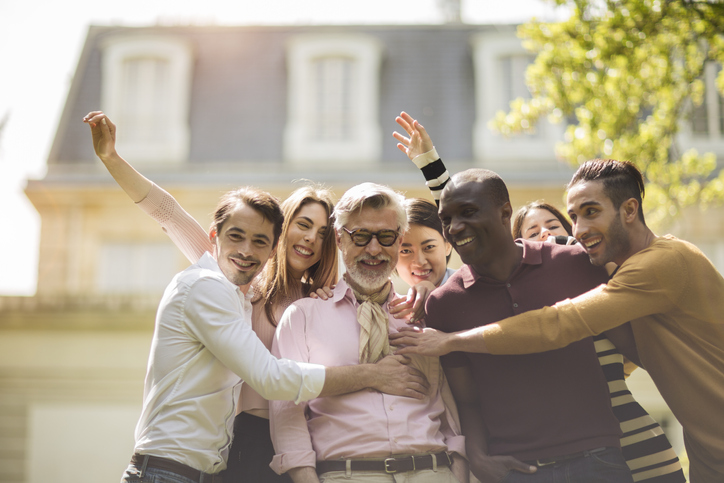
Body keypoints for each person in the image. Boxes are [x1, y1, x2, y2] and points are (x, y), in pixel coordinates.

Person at [84, 112, 430, 483]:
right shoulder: (237, 282)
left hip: (293, 439)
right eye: (302, 223)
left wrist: (418, 296)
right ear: (282, 234)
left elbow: (379, 270)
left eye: (322, 231)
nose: (312, 237)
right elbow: (167, 214)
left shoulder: (321, 301)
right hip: (238, 439)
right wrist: (111, 159)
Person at [393, 157, 724, 482]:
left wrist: (453, 340)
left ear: (630, 210)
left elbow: (559, 322)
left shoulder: (659, 264)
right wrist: (427, 279)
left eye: (591, 212)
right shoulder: (615, 270)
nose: (578, 231)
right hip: (706, 447)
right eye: (574, 217)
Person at [391, 112, 634, 483]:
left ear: (506, 212)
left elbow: (635, 340)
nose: (455, 228)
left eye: (469, 214)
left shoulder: (577, 264)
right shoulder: (446, 304)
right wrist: (477, 456)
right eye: (448, 220)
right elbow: (467, 399)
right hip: (515, 470)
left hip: (596, 461)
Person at [269, 182, 468, 483]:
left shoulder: (421, 314)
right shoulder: (303, 316)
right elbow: (287, 413)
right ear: (339, 238)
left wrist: (458, 473)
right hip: (348, 473)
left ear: (399, 239)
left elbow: (448, 411)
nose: (373, 249)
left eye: (386, 236)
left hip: (433, 470)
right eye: (360, 236)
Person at [516, 201, 686, 483]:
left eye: (553, 227)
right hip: (576, 457)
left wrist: (563, 246)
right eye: (533, 234)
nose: (545, 235)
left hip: (638, 438)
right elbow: (473, 225)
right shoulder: (523, 311)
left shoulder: (602, 282)